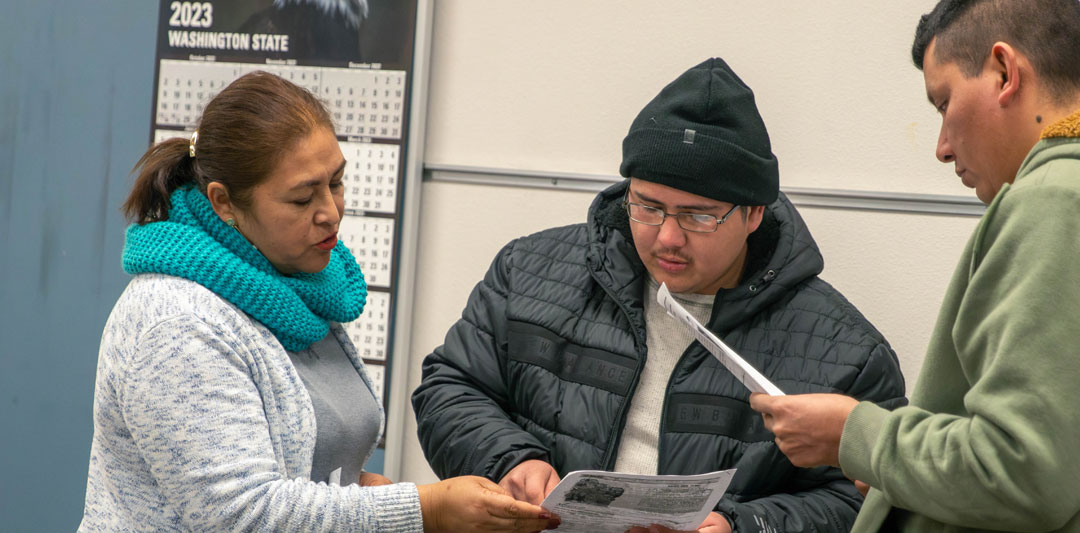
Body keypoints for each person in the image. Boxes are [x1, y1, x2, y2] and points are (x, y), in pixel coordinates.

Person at [749, 1, 1080, 531]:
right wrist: (905, 469)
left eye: (943, 103)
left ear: (1005, 72)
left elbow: (1023, 471)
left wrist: (856, 435)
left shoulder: (1060, 206)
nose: (941, 147)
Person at [412, 57, 907, 533]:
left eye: (698, 216)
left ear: (754, 214)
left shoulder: (845, 354)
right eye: (647, 207)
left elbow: (862, 500)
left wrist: (744, 525)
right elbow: (450, 386)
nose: (668, 237)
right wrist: (511, 459)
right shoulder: (529, 272)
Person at [80, 71, 559, 533]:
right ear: (224, 202)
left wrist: (361, 493)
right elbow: (240, 515)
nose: (330, 213)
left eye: (336, 183)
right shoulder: (176, 321)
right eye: (301, 199)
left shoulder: (292, 283)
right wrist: (421, 510)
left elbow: (305, 460)